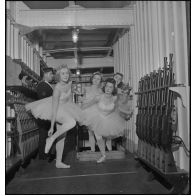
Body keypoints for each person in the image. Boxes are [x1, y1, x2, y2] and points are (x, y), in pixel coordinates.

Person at [26, 64, 83, 168]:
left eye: (67, 73)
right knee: (71, 123)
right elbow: (54, 108)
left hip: (66, 110)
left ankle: (58, 162)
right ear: (58, 76)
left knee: (62, 138)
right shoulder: (57, 88)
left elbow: (69, 102)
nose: (65, 75)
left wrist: (73, 111)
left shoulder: (70, 84)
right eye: (62, 73)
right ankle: (51, 138)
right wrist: (52, 127)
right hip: (57, 111)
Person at [81, 78, 126, 163]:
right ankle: (103, 155)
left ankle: (105, 152)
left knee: (105, 137)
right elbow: (87, 105)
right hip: (97, 117)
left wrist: (125, 93)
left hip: (109, 118)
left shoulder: (115, 98)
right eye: (107, 86)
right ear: (104, 87)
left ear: (113, 89)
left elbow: (120, 105)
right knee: (98, 136)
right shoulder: (98, 97)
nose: (108, 89)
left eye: (111, 87)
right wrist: (78, 112)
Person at [35, 67, 54, 160]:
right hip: (44, 115)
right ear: (45, 74)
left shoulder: (47, 85)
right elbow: (44, 100)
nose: (52, 76)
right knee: (43, 135)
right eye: (51, 74)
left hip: (47, 114)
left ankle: (47, 153)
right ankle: (43, 156)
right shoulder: (42, 85)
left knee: (47, 135)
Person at [81, 72, 103, 152]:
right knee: (90, 133)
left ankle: (102, 152)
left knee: (99, 134)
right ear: (92, 79)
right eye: (94, 78)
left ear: (100, 81)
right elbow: (83, 100)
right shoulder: (86, 88)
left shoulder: (101, 91)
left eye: (98, 79)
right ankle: (92, 151)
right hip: (88, 113)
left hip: (98, 113)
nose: (96, 80)